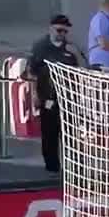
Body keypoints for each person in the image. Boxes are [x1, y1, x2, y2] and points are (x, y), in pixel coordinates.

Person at [24, 14, 82, 173]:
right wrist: (34, 94)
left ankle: (73, 168)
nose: (62, 34)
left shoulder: (71, 49)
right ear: (51, 29)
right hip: (48, 95)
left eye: (65, 31)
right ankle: (52, 167)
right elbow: (31, 72)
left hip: (68, 96)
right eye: (59, 30)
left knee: (70, 133)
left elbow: (79, 70)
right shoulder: (40, 47)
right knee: (49, 133)